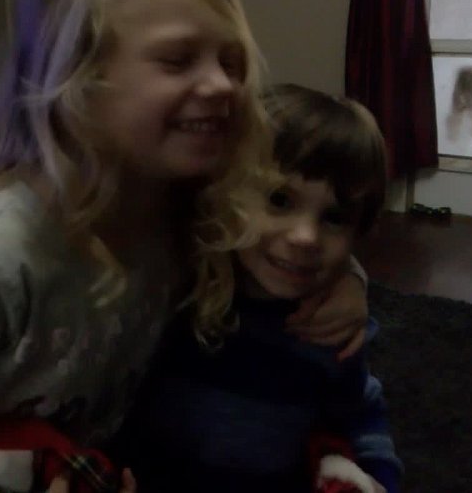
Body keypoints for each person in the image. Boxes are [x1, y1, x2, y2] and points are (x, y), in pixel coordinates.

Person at [0, 0, 368, 493]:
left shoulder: (185, 208)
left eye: (231, 60)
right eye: (178, 59)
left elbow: (279, 238)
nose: (224, 84)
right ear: (79, 81)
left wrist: (348, 282)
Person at [118, 84, 401, 493]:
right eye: (279, 200)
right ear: (224, 191)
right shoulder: (180, 282)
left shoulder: (329, 330)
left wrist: (378, 479)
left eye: (334, 217)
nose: (305, 236)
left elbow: (360, 415)